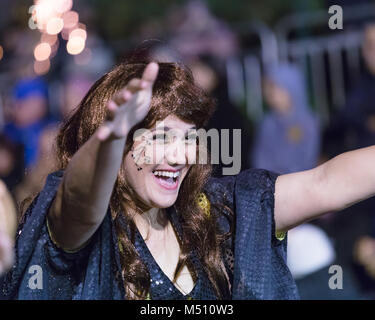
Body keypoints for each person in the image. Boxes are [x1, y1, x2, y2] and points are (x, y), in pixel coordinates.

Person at [2, 59, 375, 300]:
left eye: (189, 138)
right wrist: (110, 137)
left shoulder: (219, 212)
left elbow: (326, 184)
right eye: (161, 137)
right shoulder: (86, 236)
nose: (180, 156)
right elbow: (79, 201)